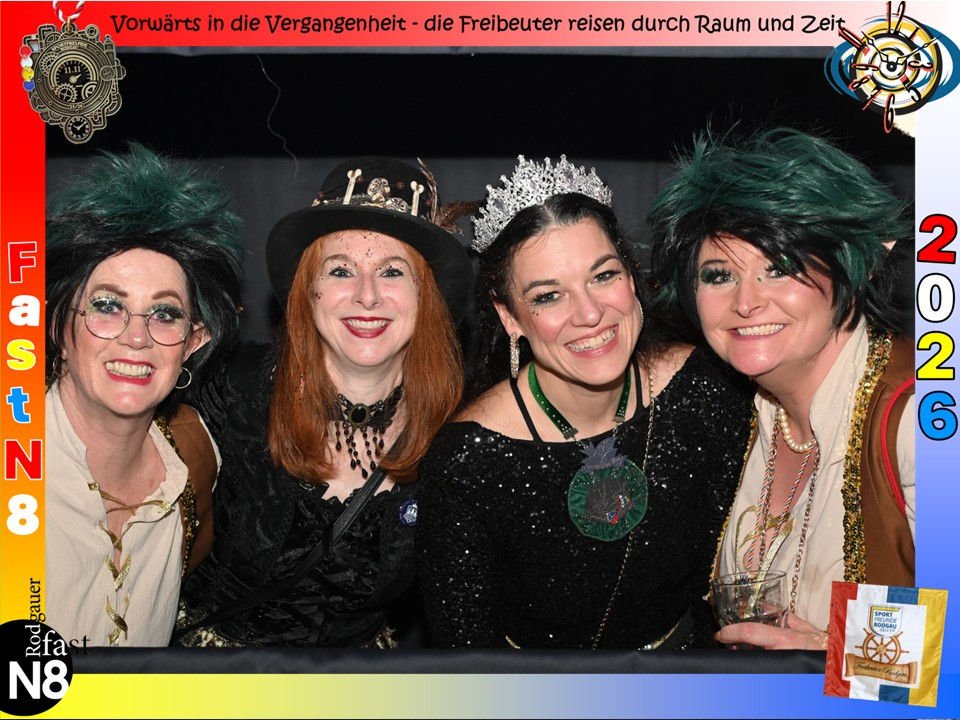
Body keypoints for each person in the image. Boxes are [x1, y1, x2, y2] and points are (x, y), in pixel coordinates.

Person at [416, 156, 753, 649]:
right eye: (548, 296)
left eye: (603, 276)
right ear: (509, 317)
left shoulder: (704, 387)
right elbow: (467, 660)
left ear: (631, 276)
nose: (590, 313)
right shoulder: (468, 461)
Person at [176, 158, 470, 647]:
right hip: (215, 677)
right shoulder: (231, 390)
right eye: (340, 270)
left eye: (392, 271)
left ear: (426, 296)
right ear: (308, 292)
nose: (367, 296)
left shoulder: (456, 435)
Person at [648, 127, 915, 650]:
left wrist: (835, 659)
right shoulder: (733, 418)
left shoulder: (918, 418)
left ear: (857, 267)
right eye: (719, 275)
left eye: (780, 268)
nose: (746, 302)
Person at [45, 144, 244, 646]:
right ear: (59, 327)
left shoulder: (195, 457)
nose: (137, 337)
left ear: (193, 342)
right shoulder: (14, 464)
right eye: (107, 306)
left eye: (165, 313)